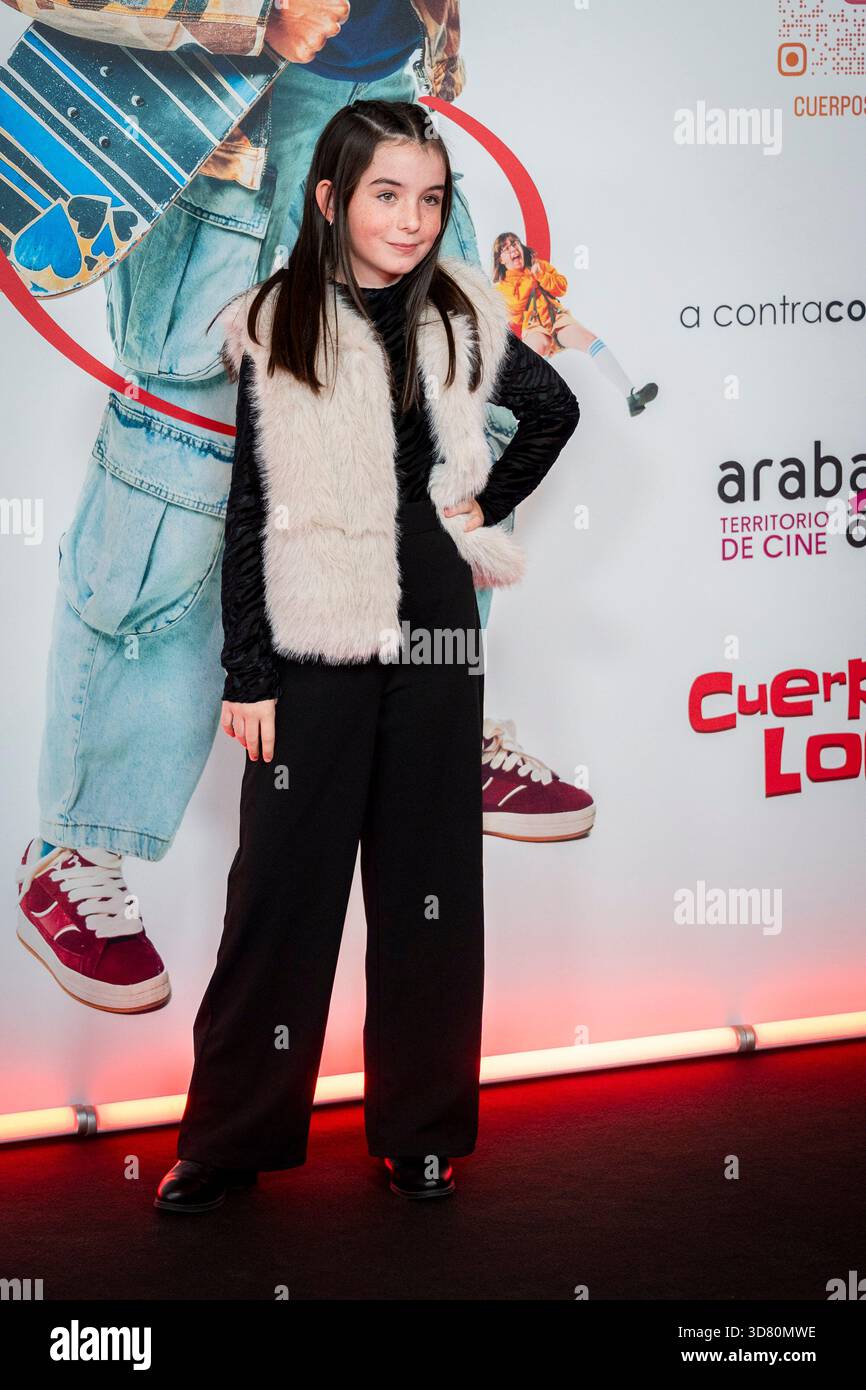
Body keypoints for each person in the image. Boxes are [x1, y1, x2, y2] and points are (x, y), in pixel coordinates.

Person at [154, 99, 580, 1211]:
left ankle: (422, 1133)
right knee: (278, 892)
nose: (412, 218)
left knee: (429, 885)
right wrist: (247, 670)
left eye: (430, 197)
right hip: (313, 632)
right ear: (330, 199)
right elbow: (248, 507)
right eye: (387, 194)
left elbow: (552, 410)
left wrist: (474, 507)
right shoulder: (277, 320)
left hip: (435, 627)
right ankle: (230, 1139)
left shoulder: (460, 314)